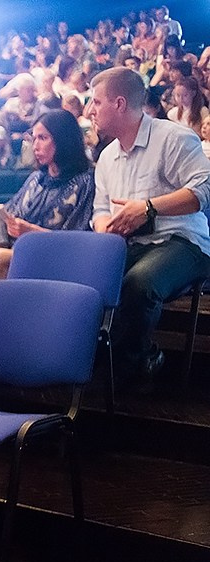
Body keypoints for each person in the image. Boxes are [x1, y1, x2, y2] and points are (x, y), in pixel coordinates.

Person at [88, 67, 210, 387]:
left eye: (96, 102)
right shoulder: (107, 157)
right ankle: (97, 364)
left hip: (183, 241)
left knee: (139, 282)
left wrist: (148, 208)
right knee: (88, 279)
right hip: (132, 244)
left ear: (118, 103)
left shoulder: (173, 137)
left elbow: (203, 192)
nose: (90, 110)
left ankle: (135, 364)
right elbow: (101, 209)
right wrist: (106, 229)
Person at [0, 109, 96, 280]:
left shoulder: (85, 181)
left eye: (43, 138)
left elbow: (77, 242)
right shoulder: (37, 177)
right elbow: (10, 211)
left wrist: (32, 231)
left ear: (63, 140)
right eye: (33, 138)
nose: (35, 146)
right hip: (24, 250)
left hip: (60, 261)